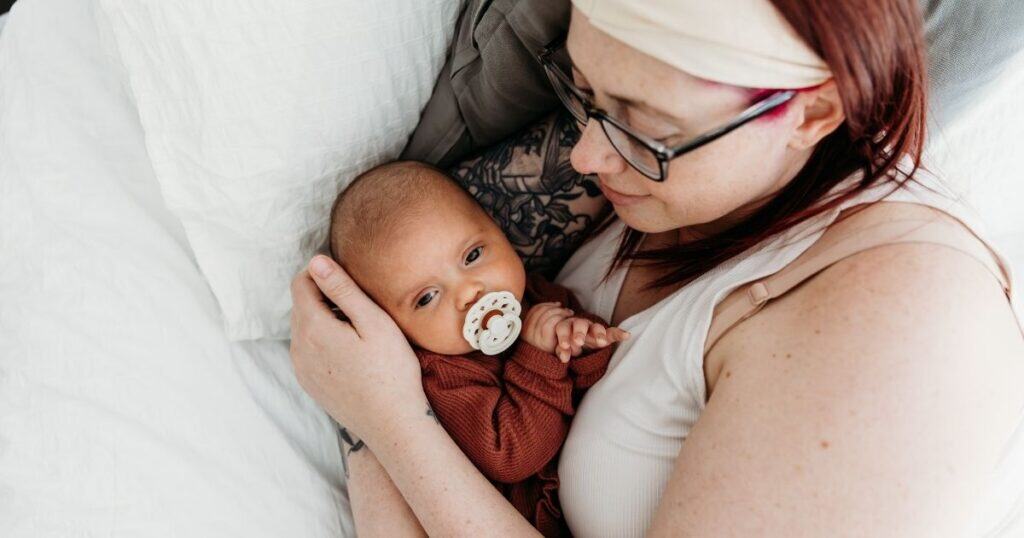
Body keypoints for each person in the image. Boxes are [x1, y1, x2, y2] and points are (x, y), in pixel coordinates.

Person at [290, 0, 1024, 535]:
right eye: (585, 94)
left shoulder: (909, 331)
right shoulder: (689, 182)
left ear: (810, 113)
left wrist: (384, 421)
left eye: (647, 129)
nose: (585, 156)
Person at [326, 161, 627, 536]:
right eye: (427, 297)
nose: (469, 292)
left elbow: (591, 384)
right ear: (390, 325)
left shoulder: (534, 297)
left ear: (499, 230)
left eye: (472, 256)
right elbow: (511, 456)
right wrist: (542, 356)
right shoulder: (441, 375)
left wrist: (581, 340)